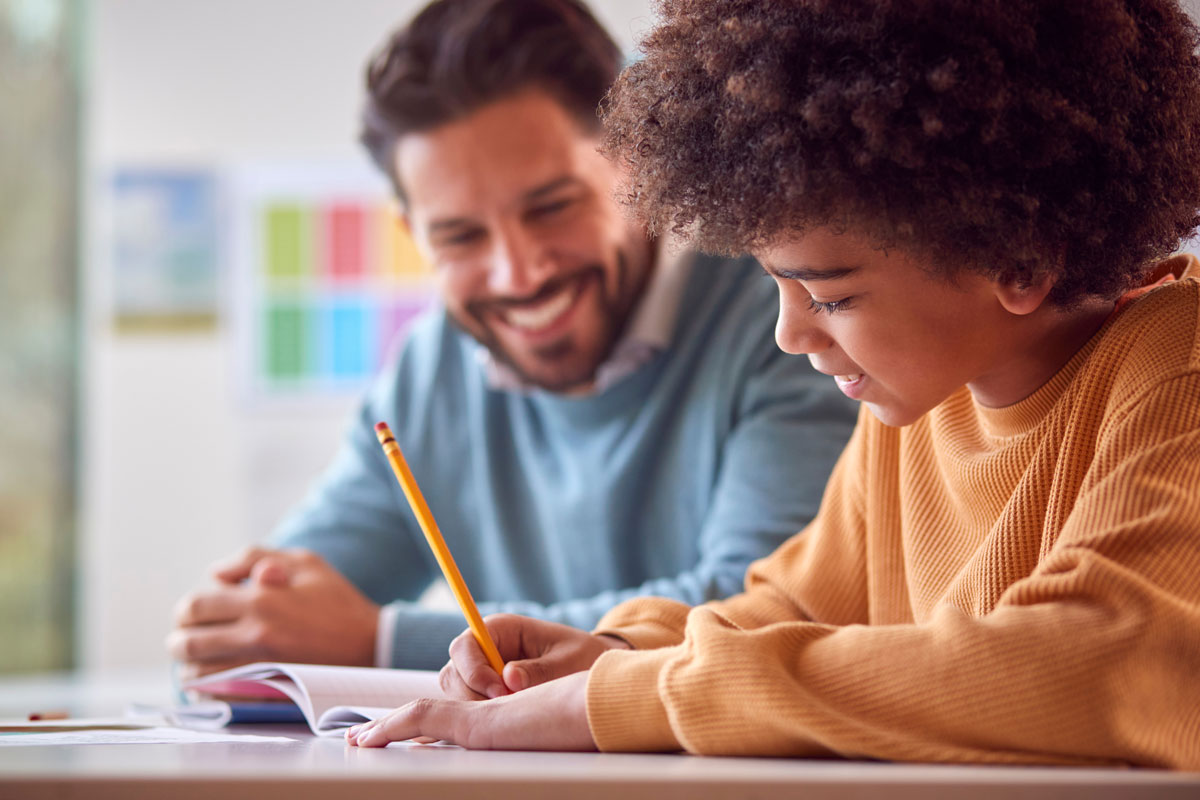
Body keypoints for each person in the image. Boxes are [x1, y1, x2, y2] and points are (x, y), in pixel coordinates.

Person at [345, 0, 1200, 769]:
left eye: (830, 293)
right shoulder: (914, 405)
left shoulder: (1177, 370)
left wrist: (621, 701)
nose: (791, 333)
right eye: (777, 285)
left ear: (1020, 256)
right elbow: (791, 609)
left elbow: (1102, 662)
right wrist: (610, 650)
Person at [166, 0, 855, 675]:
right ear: (415, 239)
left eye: (552, 207)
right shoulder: (426, 376)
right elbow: (262, 631)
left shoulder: (787, 317)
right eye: (460, 236)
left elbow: (767, 612)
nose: (519, 273)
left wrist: (380, 642)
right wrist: (229, 634)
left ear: (638, 167)